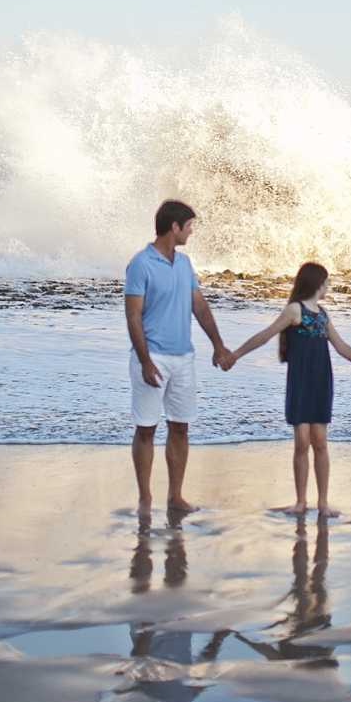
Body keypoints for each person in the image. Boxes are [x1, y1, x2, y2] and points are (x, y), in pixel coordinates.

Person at [230, 262, 351, 518]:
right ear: (317, 284)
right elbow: (265, 335)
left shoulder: (323, 314)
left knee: (320, 442)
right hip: (300, 380)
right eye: (326, 283)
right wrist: (236, 354)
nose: (328, 287)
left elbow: (340, 346)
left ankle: (323, 502)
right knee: (301, 443)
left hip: (321, 382)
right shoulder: (295, 310)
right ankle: (300, 501)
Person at [125, 200, 234, 516]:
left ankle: (175, 496)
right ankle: (145, 498)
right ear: (174, 227)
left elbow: (199, 307)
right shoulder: (140, 264)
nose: (190, 232)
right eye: (188, 226)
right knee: (146, 428)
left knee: (180, 427)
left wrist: (218, 345)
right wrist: (145, 361)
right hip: (152, 356)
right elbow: (133, 316)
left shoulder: (184, 264)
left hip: (183, 357)